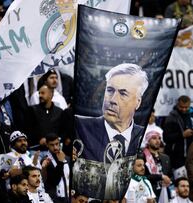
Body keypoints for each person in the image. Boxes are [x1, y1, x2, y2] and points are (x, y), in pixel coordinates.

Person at [73, 63, 149, 200]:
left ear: (138, 102)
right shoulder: (79, 126)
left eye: (123, 93)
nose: (112, 100)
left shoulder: (142, 137)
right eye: (110, 90)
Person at [163, 95, 193, 172]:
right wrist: (182, 135)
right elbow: (166, 137)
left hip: (192, 156)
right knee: (180, 180)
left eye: (186, 107)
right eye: (181, 107)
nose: (184, 109)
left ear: (189, 105)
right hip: (176, 157)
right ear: (177, 104)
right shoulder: (171, 117)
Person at [142, 130, 171, 200]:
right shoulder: (142, 156)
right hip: (149, 194)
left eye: (159, 138)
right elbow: (142, 177)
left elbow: (170, 175)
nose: (158, 141)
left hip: (164, 193)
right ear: (148, 141)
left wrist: (168, 181)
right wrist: (160, 177)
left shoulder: (165, 158)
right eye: (154, 138)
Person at [41, 133, 70, 203]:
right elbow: (54, 181)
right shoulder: (45, 160)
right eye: (52, 145)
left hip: (68, 197)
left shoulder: (67, 158)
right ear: (47, 145)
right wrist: (60, 162)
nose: (55, 147)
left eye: (57, 144)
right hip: (55, 199)